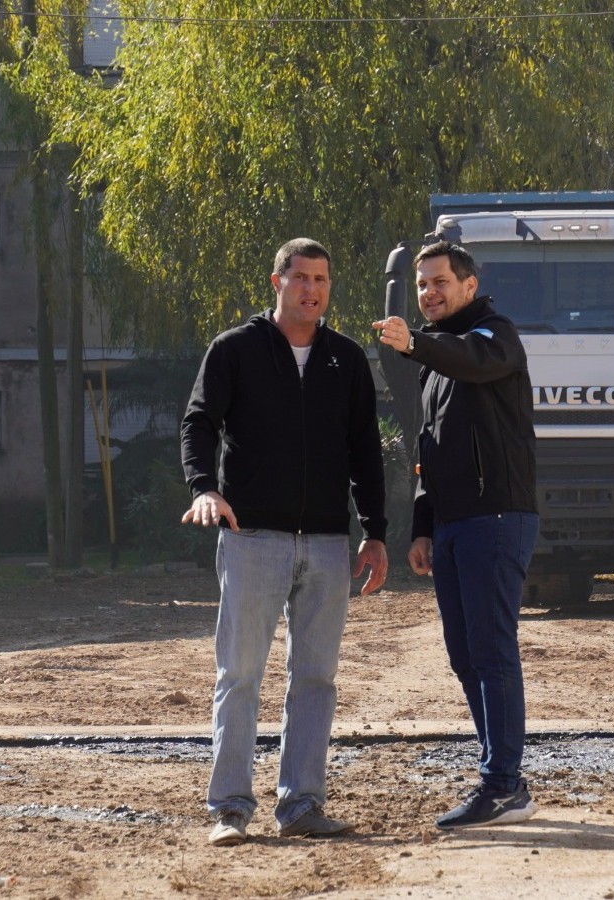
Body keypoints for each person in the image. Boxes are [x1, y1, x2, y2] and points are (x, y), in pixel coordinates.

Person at [180, 238, 389, 848]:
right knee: (240, 675)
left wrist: (375, 532)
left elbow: (365, 453)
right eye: (300, 277)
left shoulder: (345, 361)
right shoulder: (235, 350)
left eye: (322, 279)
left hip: (328, 544)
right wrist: (204, 488)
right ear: (277, 282)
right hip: (252, 539)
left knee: (316, 679)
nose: (312, 290)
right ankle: (229, 810)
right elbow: (199, 421)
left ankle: (301, 805)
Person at [373, 241, 540, 829]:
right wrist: (421, 528)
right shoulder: (436, 367)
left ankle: (502, 785)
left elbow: (474, 359)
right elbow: (429, 450)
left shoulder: (496, 336)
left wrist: (416, 342)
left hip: (497, 517)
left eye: (440, 281)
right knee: (465, 655)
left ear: (470, 285)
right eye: (421, 285)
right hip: (451, 526)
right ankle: (505, 778)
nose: (429, 293)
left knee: (492, 650)